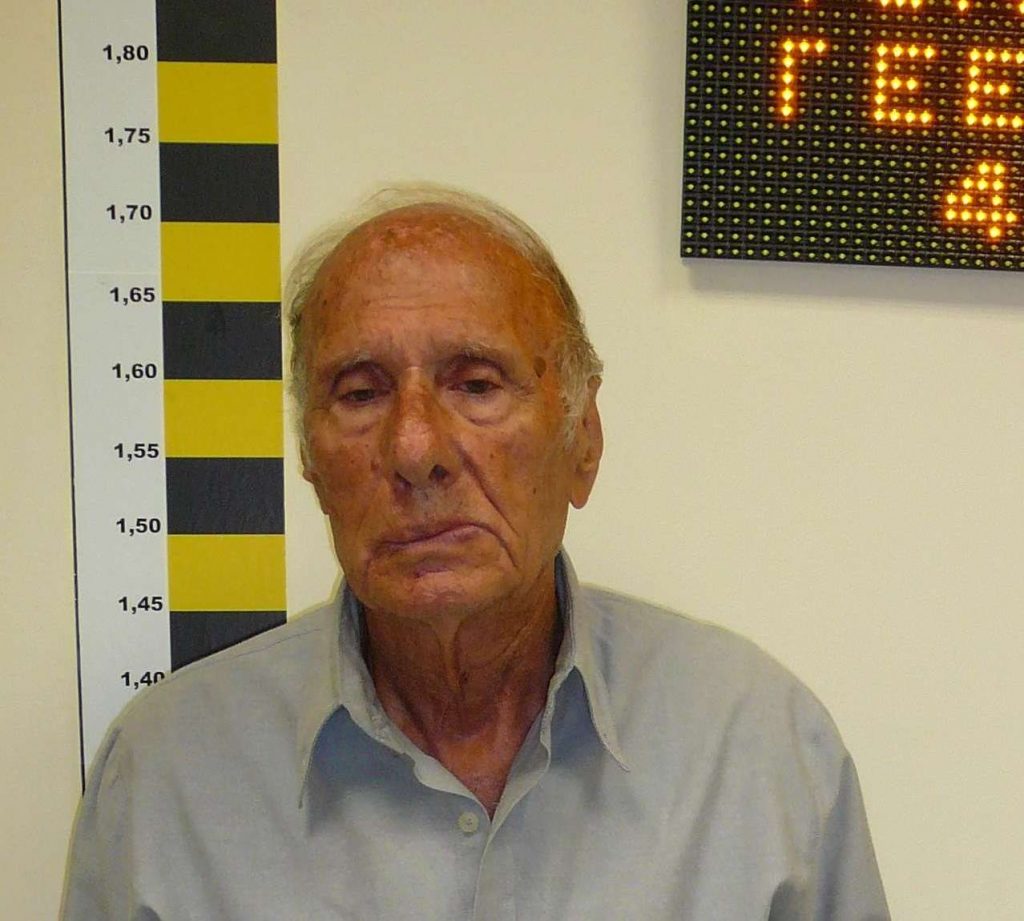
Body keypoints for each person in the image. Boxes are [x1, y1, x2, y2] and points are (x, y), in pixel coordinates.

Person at [61, 185, 890, 920]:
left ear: (583, 439)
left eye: (476, 384)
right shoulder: (166, 779)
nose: (415, 448)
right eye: (361, 392)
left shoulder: (758, 749)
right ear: (310, 460)